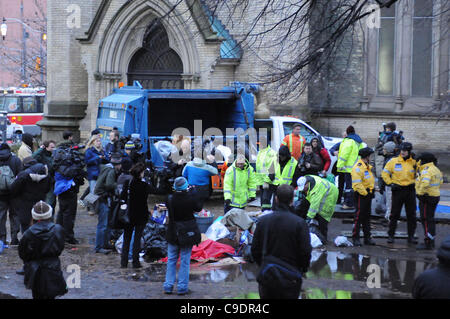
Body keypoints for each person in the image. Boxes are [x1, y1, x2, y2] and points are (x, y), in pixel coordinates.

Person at [251, 184, 312, 299]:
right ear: (292, 200)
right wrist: (302, 269)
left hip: (267, 276)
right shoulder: (299, 223)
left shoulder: (263, 221)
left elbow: (255, 249)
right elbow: (305, 251)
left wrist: (263, 265)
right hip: (291, 278)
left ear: (276, 199)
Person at [18, 201, 67, 299]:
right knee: (51, 295)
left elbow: (22, 253)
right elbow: (60, 246)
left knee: (37, 296)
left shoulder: (28, 233)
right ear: (49, 214)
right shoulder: (58, 229)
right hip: (53, 266)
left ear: (34, 216)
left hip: (34, 269)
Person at [164, 177, 203, 295]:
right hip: (187, 232)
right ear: (186, 186)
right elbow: (198, 207)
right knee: (185, 260)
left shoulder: (169, 199)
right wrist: (193, 192)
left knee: (171, 259)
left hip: (173, 231)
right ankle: (182, 287)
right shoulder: (190, 198)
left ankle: (168, 286)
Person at [382, 142, 417, 244]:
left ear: (409, 151)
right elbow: (385, 174)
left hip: (410, 190)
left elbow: (420, 174)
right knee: (394, 214)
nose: (403, 152)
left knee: (411, 215)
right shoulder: (393, 161)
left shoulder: (414, 162)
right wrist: (390, 183)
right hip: (398, 190)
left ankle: (411, 236)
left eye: (405, 151)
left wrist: (417, 184)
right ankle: (391, 235)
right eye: (401, 150)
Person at [120, 163, 152, 268]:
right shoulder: (144, 186)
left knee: (126, 239)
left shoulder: (127, 183)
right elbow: (146, 199)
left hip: (128, 215)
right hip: (140, 215)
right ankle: (135, 261)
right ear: (140, 173)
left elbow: (122, 196)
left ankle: (123, 262)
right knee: (137, 239)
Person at [296, 175, 338, 244]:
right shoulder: (307, 178)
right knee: (303, 206)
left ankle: (323, 239)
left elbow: (314, 206)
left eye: (303, 187)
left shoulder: (316, 189)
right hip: (325, 191)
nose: (303, 189)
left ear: (307, 183)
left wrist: (309, 218)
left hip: (330, 195)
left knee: (323, 216)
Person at [94, 152, 122, 254]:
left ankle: (105, 244)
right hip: (103, 198)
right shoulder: (111, 170)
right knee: (103, 224)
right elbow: (110, 184)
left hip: (100, 197)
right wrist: (118, 185)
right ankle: (99, 247)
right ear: (118, 164)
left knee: (106, 224)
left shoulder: (106, 167)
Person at [415, 152, 443, 250]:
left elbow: (425, 183)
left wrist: (420, 193)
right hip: (434, 196)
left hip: (426, 197)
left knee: (425, 219)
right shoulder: (436, 169)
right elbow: (440, 182)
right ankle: (431, 239)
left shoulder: (426, 170)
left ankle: (428, 241)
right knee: (430, 218)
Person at [351, 147, 376, 246]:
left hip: (367, 194)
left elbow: (368, 180)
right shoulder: (358, 167)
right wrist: (366, 193)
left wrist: (371, 191)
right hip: (361, 195)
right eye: (370, 155)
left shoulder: (366, 166)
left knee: (366, 217)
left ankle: (367, 238)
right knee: (358, 217)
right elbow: (357, 184)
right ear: (367, 156)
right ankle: (355, 238)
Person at [0, 143, 22, 245]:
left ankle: (2, 238)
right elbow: (21, 175)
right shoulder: (16, 160)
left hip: (0, 194)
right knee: (15, 215)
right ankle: (14, 238)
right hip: (14, 193)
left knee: (1, 216)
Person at [337, 125, 364, 209]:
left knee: (348, 187)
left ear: (347, 132)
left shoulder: (349, 141)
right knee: (354, 186)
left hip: (349, 169)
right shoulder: (359, 141)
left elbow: (344, 154)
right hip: (357, 168)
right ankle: (354, 203)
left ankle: (348, 204)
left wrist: (340, 165)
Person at [84, 136, 107, 215]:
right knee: (93, 192)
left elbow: (106, 160)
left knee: (98, 192)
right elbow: (87, 161)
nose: (99, 142)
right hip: (92, 174)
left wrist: (105, 157)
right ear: (93, 142)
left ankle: (95, 208)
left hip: (100, 174)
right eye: (97, 141)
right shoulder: (89, 151)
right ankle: (90, 207)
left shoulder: (102, 150)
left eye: (99, 141)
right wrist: (97, 157)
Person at [255, 135, 277, 211]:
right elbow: (259, 169)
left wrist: (267, 181)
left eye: (259, 144)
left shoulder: (270, 153)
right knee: (263, 201)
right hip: (262, 182)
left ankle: (266, 214)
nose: (259, 145)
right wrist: (258, 182)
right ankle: (264, 214)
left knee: (265, 200)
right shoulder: (260, 152)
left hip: (268, 182)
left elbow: (272, 169)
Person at [33, 140, 57, 210]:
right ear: (46, 147)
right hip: (44, 180)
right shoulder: (41, 155)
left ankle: (50, 215)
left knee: (52, 200)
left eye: (54, 147)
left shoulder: (54, 155)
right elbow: (33, 157)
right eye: (52, 147)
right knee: (48, 200)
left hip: (52, 180)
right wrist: (40, 149)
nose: (53, 149)